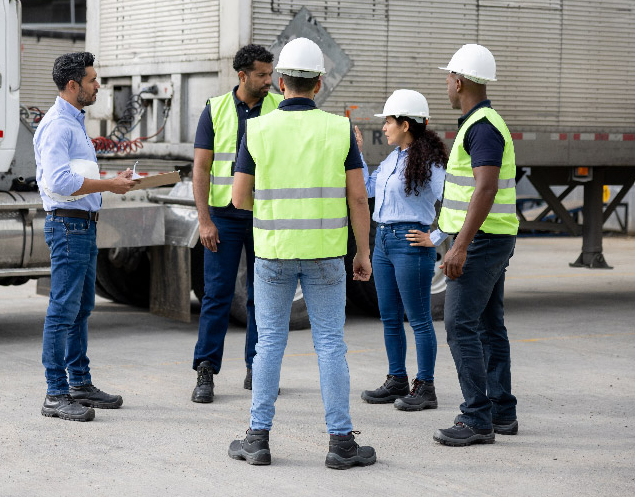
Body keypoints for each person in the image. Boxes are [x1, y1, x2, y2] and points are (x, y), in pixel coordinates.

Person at [226, 37, 377, 469]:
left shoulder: (258, 129)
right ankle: (341, 442)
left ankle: (258, 438)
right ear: (319, 83)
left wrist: (274, 209)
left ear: (280, 82)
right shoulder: (339, 129)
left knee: (269, 343)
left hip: (273, 253)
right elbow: (358, 198)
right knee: (330, 344)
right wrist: (362, 253)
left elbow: (239, 198)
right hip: (326, 254)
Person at [33, 52, 136, 422]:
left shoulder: (74, 123)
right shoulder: (58, 126)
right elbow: (58, 182)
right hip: (68, 226)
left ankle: (79, 383)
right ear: (73, 85)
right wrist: (109, 185)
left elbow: (76, 175)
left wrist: (112, 180)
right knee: (63, 309)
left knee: (80, 309)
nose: (98, 85)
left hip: (82, 225)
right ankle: (55, 393)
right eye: (92, 80)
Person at [433, 44, 519, 445]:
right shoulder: (482, 122)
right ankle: (501, 411)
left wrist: (460, 246)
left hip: (482, 239)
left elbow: (485, 188)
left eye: (448, 78)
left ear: (459, 81)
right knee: (488, 324)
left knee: (459, 325)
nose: (446, 85)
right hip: (492, 236)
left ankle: (476, 418)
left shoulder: (481, 127)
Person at [191, 44, 283, 403]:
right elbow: (201, 168)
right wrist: (204, 220)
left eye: (270, 73)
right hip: (223, 218)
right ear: (242, 76)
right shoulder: (215, 109)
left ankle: (256, 369)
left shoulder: (280, 108)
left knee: (263, 298)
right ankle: (205, 370)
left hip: (265, 217)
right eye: (262, 74)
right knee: (216, 295)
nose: (269, 80)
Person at [356, 90, 448, 412]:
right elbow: (368, 189)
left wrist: (436, 237)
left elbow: (454, 202)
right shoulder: (392, 158)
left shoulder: (431, 163)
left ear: (406, 124)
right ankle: (397, 379)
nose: (384, 127)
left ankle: (426, 387)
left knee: (419, 319)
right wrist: (358, 155)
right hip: (383, 242)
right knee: (390, 317)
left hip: (410, 245)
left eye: (389, 121)